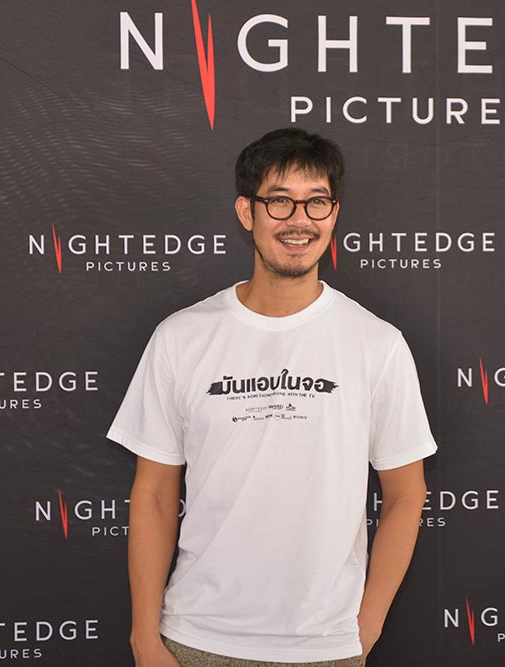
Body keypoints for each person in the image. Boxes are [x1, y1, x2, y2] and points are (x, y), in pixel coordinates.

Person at [107, 127, 437, 667]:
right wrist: (145, 637)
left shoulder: (377, 343)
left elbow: (405, 493)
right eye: (280, 201)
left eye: (316, 202)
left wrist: (367, 625)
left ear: (334, 214)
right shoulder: (181, 337)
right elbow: (155, 494)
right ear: (247, 212)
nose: (299, 220)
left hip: (326, 647)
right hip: (195, 640)